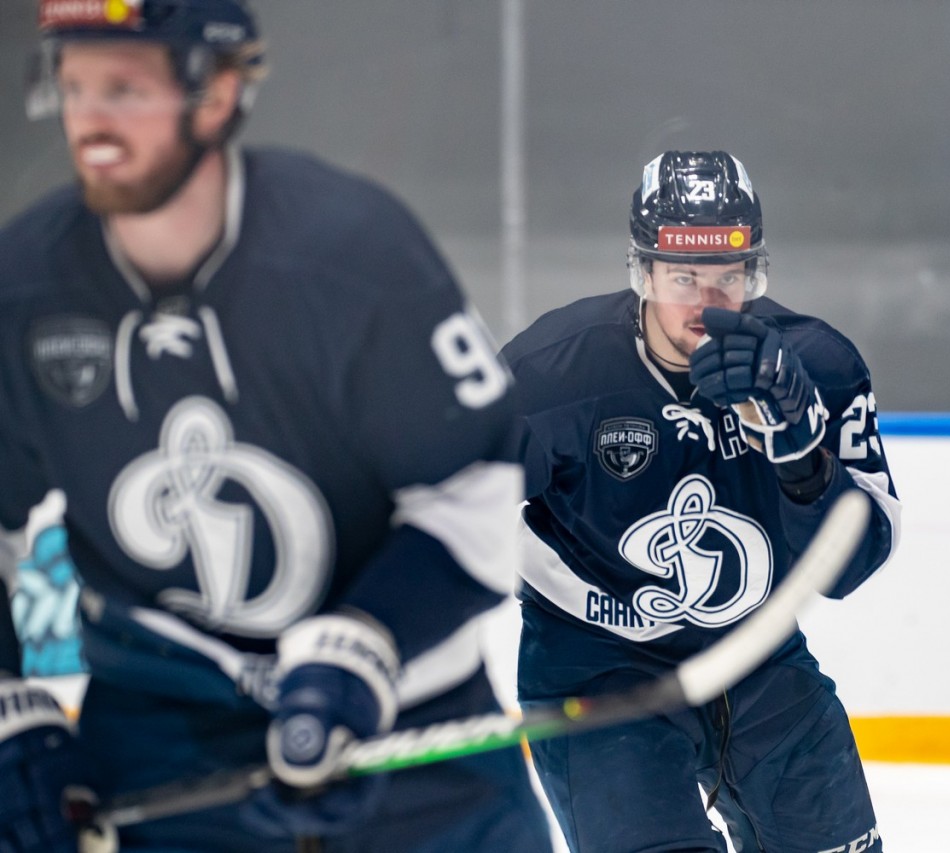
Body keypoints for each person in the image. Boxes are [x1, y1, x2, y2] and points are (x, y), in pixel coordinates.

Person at [0, 1, 554, 850]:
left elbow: (474, 491)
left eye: (125, 88)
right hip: (162, 736)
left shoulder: (356, 254)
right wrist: (12, 715)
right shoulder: (25, 288)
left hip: (407, 728)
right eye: (75, 88)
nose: (92, 121)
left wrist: (362, 645)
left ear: (217, 94)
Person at [501, 150, 901, 853]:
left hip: (760, 659)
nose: (708, 303)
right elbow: (441, 514)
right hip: (597, 672)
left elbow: (852, 565)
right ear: (644, 272)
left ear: (755, 272)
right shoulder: (550, 375)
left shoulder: (817, 368)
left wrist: (801, 452)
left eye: (729, 277)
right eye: (684, 277)